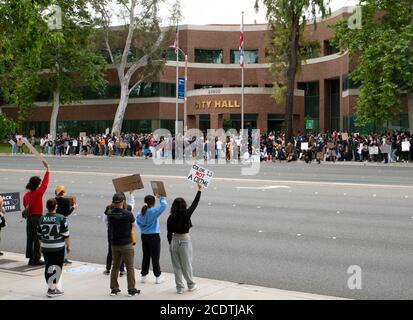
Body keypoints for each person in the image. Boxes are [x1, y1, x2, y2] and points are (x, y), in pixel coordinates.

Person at [167, 182, 203, 294]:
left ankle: (179, 288)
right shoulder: (187, 214)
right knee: (186, 264)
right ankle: (191, 285)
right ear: (184, 206)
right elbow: (195, 203)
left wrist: (171, 243)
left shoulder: (170, 217)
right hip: (184, 241)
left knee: (176, 266)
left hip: (174, 240)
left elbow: (169, 233)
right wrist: (199, 190)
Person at [107, 192, 140, 297]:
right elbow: (134, 224)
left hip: (114, 243)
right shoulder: (128, 214)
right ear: (123, 202)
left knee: (115, 266)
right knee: (130, 267)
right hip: (126, 243)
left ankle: (114, 289)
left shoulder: (110, 213)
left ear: (113, 202)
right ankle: (131, 289)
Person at [37, 198, 70, 298]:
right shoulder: (61, 218)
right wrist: (68, 246)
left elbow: (39, 235)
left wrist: (41, 246)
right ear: (56, 206)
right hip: (57, 246)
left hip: (46, 246)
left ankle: (50, 287)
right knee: (57, 267)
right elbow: (66, 234)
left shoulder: (41, 218)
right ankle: (52, 289)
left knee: (48, 266)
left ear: (47, 207)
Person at [136, 194, 167, 284]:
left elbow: (138, 222)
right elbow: (164, 205)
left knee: (146, 256)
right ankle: (157, 277)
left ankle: (143, 276)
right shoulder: (153, 211)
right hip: (154, 236)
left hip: (144, 236)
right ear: (153, 203)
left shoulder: (140, 213)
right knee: (155, 257)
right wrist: (161, 198)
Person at [23, 161, 50, 266]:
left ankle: (30, 258)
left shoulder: (26, 195)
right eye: (39, 184)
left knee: (29, 238)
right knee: (37, 239)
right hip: (37, 218)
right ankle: (36, 259)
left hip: (29, 219)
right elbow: (45, 183)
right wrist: (48, 169)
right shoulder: (38, 193)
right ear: (37, 184)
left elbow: (26, 207)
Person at [103, 192, 135, 276]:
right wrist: (131, 194)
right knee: (124, 251)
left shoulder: (109, 209)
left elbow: (105, 220)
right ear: (123, 201)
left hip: (112, 232)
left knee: (111, 250)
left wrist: (110, 227)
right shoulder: (128, 208)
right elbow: (133, 223)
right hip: (125, 234)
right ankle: (122, 270)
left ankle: (107, 268)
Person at [54, 185, 78, 265]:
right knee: (64, 238)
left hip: (54, 220)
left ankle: (56, 256)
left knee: (56, 238)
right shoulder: (66, 201)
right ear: (63, 192)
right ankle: (63, 258)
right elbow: (68, 213)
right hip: (62, 220)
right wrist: (74, 207)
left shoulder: (54, 200)